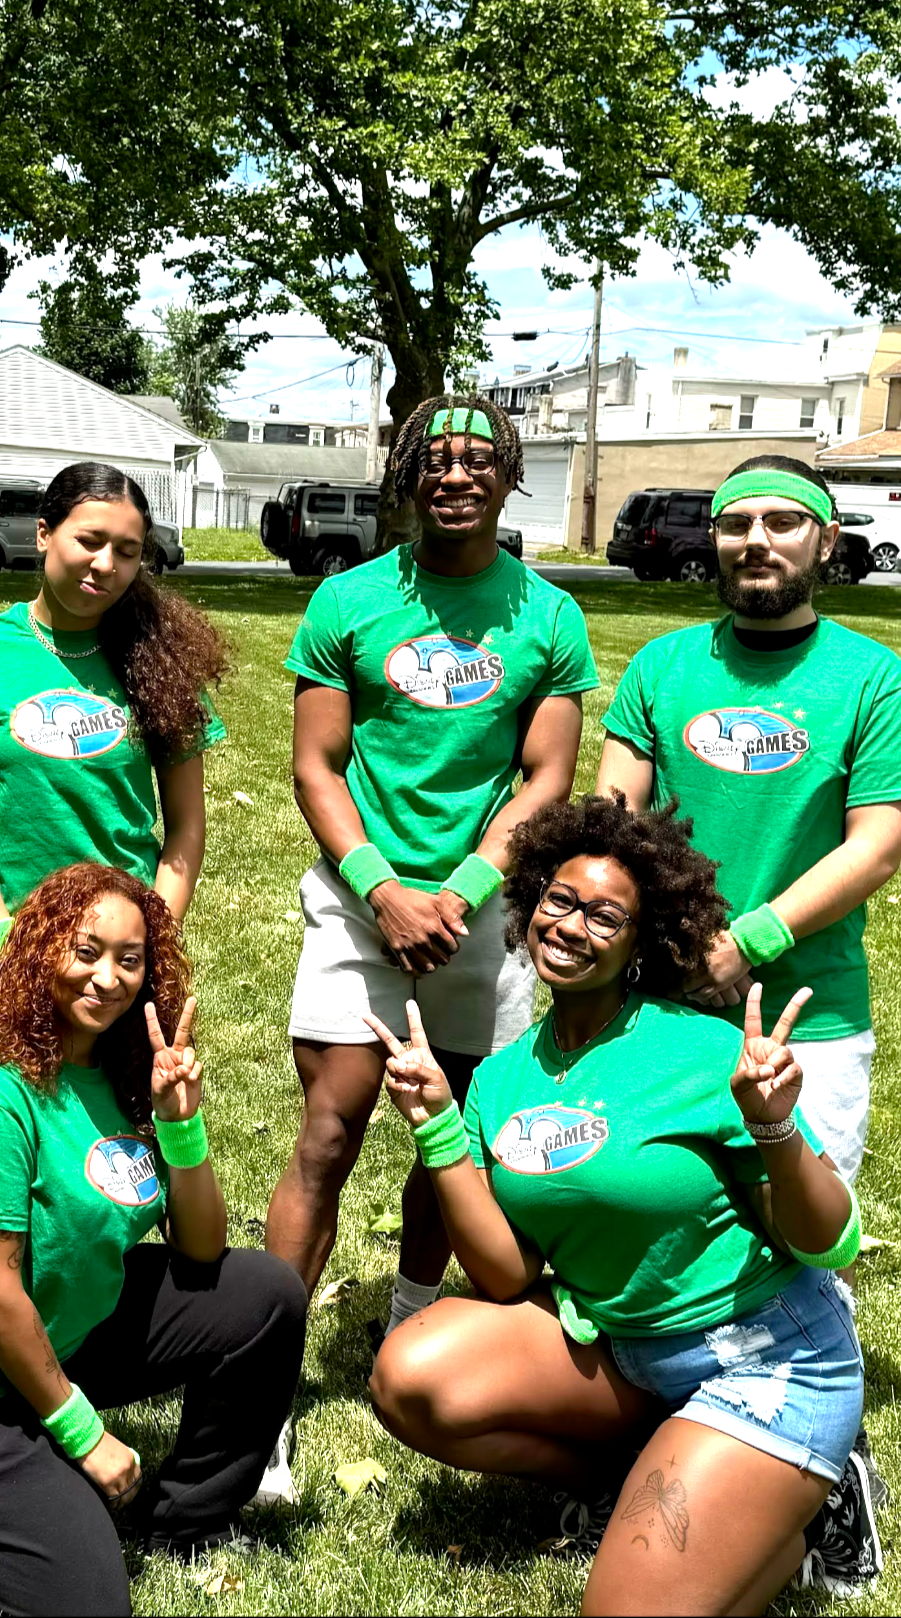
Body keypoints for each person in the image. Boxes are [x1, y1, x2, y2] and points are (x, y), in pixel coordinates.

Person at [367, 792, 879, 1613]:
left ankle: (804, 1506)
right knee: (409, 1379)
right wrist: (436, 1129)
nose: (570, 926)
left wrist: (777, 1128)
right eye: (559, 900)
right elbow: (504, 1275)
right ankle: (637, 1469)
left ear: (644, 942)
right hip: (624, 1351)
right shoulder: (502, 1079)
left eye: (606, 917)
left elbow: (833, 1243)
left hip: (765, 1359)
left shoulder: (703, 1051)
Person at [0, 862, 307, 1618]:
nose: (107, 978)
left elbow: (202, 1251)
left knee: (263, 1293)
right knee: (89, 1601)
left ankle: (188, 1521)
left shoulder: (126, 1072)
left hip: (69, 1331)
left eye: (129, 960)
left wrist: (180, 1123)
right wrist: (84, 1435)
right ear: (42, 951)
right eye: (86, 950)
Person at [265, 395, 597, 1352]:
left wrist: (457, 895)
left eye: (477, 459)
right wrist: (383, 890)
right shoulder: (348, 599)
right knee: (329, 1134)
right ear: (408, 476)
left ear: (508, 474)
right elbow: (315, 766)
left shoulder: (550, 613)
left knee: (459, 1135)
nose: (456, 475)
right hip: (357, 899)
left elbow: (549, 777)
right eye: (434, 460)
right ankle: (270, 1371)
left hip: (481, 915)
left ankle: (409, 1320)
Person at [597, 454, 901, 1186]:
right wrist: (686, 942)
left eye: (782, 521)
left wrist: (749, 941)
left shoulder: (873, 677)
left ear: (826, 540)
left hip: (808, 1014)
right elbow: (612, 820)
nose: (755, 539)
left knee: (812, 1239)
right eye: (735, 524)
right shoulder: (661, 664)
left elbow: (879, 845)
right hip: (662, 998)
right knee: (655, 1221)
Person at [0, 462, 226, 1062]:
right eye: (88, 541)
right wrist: (4, 941)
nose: (105, 565)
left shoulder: (161, 666)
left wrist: (150, 942)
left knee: (123, 1151)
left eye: (127, 551)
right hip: (2, 956)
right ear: (43, 534)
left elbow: (186, 828)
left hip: (116, 974)